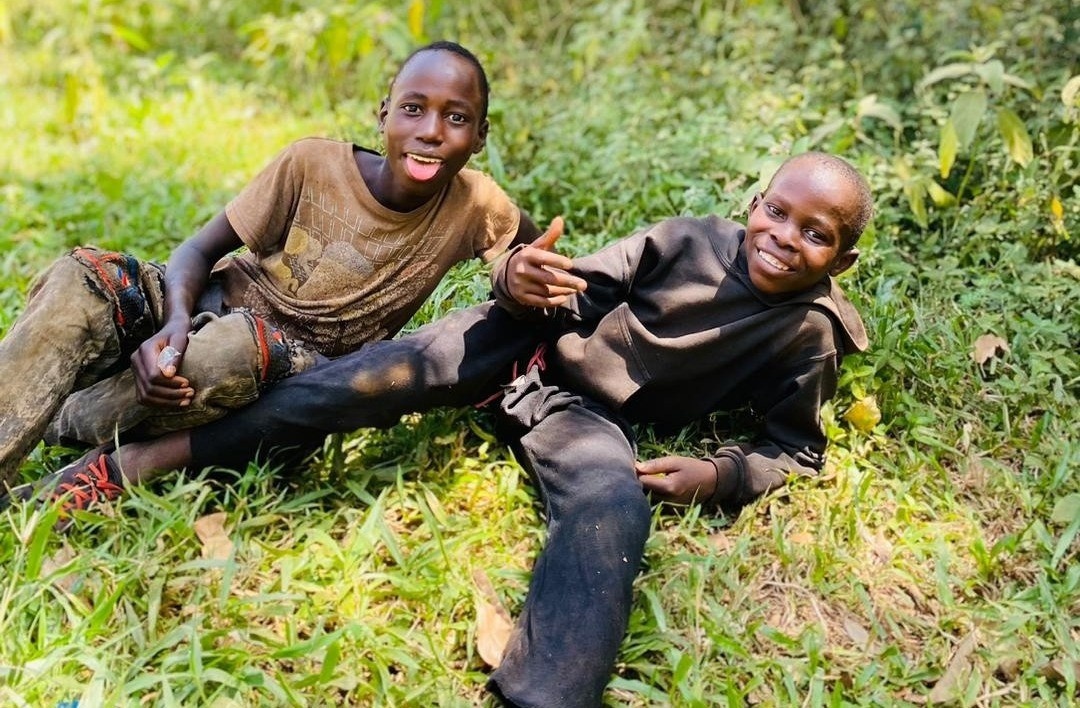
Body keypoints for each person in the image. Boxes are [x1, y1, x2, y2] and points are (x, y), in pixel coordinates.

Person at [2, 152, 873, 708]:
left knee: (612, 512)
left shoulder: (808, 336)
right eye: (778, 213)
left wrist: (718, 477)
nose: (785, 238)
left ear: (842, 258)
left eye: (816, 234)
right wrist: (522, 284)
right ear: (753, 202)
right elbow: (569, 288)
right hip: (524, 344)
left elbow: (793, 448)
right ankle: (137, 463)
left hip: (581, 412)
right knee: (355, 385)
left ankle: (542, 694)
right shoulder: (686, 241)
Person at [0, 40, 541, 488]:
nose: (430, 131)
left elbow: (531, 263)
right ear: (384, 115)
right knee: (83, 279)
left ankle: (62, 422)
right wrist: (173, 325)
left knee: (226, 350)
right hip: (207, 305)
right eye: (413, 108)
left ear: (479, 136)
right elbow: (197, 250)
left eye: (456, 117)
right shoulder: (312, 163)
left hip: (283, 360)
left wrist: (514, 277)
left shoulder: (476, 204)